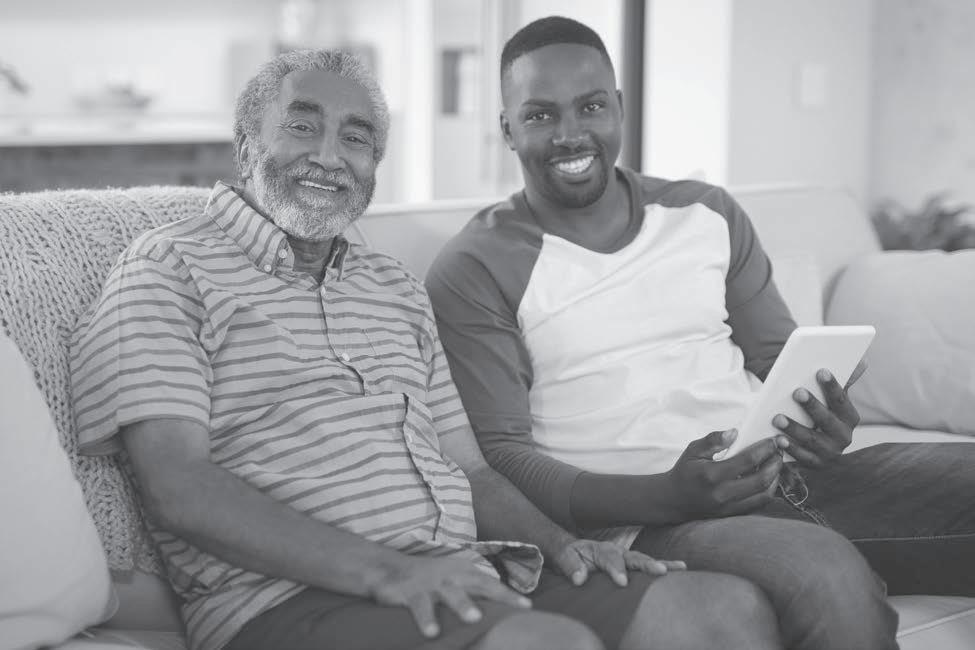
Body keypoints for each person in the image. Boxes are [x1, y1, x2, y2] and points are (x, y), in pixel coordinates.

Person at [70, 49, 785, 650]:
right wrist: (391, 572)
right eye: (301, 126)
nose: (329, 155)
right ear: (245, 144)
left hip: (460, 573)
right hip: (286, 601)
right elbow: (179, 487)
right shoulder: (169, 267)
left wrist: (563, 546)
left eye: (356, 138)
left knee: (721, 611)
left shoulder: (393, 288)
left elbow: (469, 470)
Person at [427, 15, 973, 650]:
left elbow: (778, 356)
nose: (571, 133)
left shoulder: (705, 213)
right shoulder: (477, 265)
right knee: (827, 575)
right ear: (506, 128)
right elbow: (502, 458)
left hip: (782, 476)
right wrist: (665, 496)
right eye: (541, 115)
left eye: (591, 106)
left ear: (619, 107)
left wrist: (825, 419)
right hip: (644, 516)